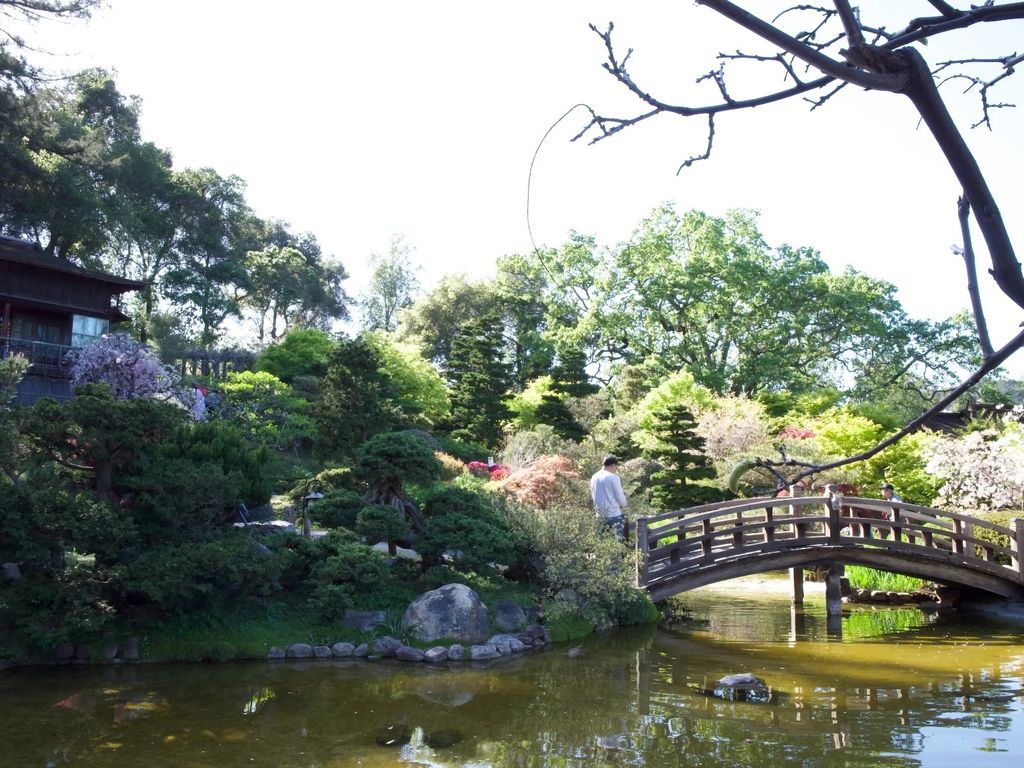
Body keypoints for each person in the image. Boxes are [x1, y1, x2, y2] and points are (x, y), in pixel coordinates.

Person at [591, 455, 628, 540]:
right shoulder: (613, 477)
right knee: (617, 542)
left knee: (602, 542)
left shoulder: (594, 477)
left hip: (599, 514)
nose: (616, 470)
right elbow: (619, 496)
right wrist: (624, 504)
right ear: (612, 465)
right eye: (616, 467)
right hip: (614, 513)